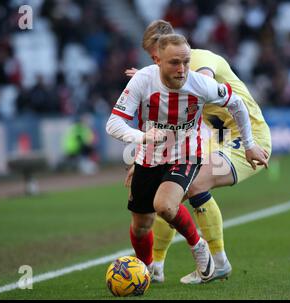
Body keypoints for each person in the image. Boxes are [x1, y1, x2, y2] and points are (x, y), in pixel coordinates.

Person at [106, 34, 268, 283]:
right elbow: (114, 123)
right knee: (142, 222)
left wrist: (249, 145)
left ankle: (201, 248)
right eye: (174, 62)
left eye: (185, 61)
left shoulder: (200, 80)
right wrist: (142, 139)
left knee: (166, 204)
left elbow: (235, 103)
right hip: (151, 154)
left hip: (187, 153)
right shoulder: (142, 80)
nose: (182, 69)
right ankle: (150, 269)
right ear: (156, 59)